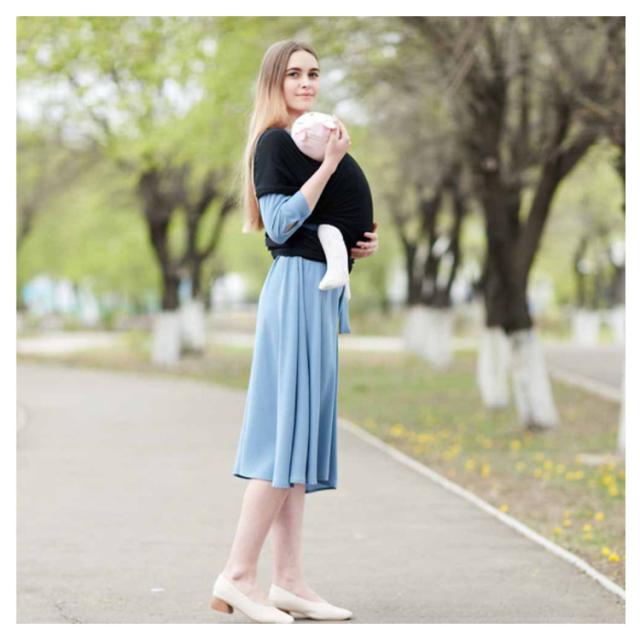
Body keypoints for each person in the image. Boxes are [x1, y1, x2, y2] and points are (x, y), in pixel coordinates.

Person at [211, 40, 379, 624]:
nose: (307, 83)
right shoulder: (276, 143)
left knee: (299, 442)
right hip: (294, 293)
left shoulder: (305, 140)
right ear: (274, 82)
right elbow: (280, 224)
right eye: (294, 74)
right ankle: (237, 576)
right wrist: (329, 166)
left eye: (313, 73)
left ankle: (288, 581)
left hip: (318, 293)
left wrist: (357, 244)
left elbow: (318, 221)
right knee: (283, 439)